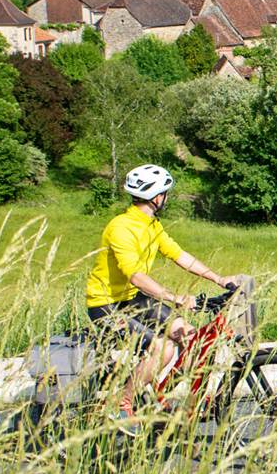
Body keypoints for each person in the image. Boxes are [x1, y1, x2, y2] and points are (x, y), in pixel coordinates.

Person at [84, 164, 242, 431]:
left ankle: (164, 395)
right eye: (165, 193)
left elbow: (179, 255)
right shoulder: (121, 227)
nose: (167, 197)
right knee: (162, 348)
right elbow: (134, 275)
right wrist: (174, 297)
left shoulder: (151, 226)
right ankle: (122, 401)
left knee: (192, 337)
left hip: (132, 299)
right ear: (157, 196)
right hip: (106, 304)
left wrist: (219, 278)